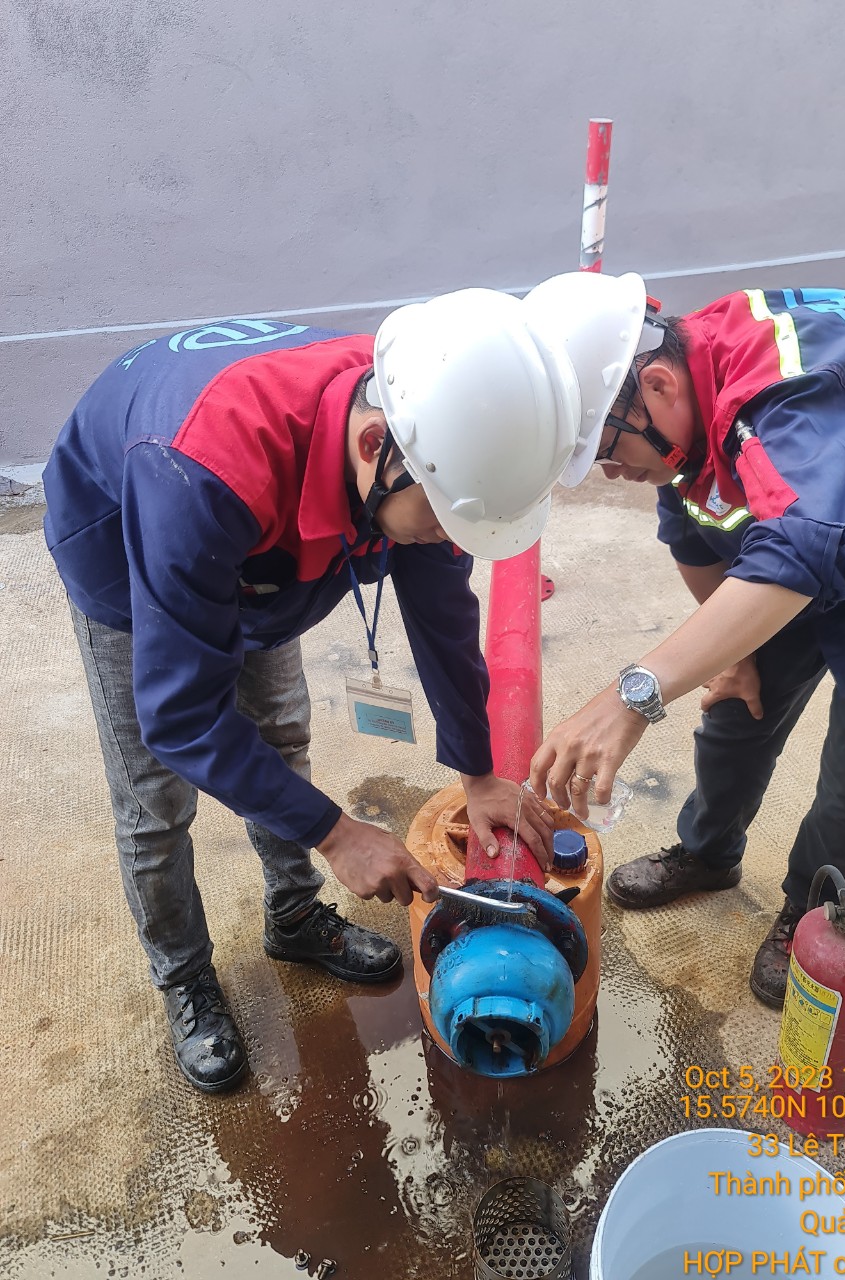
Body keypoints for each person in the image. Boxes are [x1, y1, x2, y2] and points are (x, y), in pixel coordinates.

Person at [43, 273, 647, 1092]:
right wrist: (337, 834)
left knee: (278, 733)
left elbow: (441, 608)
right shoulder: (208, 475)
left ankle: (293, 915)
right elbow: (181, 717)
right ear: (374, 450)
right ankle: (184, 976)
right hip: (131, 543)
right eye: (441, 519)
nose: (445, 536)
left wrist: (479, 773)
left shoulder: (430, 423)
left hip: (255, 538)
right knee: (155, 802)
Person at [528, 280, 845, 1007]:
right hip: (804, 533)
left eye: (605, 448)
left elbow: (802, 553)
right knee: (734, 710)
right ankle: (708, 853)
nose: (611, 473)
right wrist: (736, 654)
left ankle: (813, 909)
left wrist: (632, 696)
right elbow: (692, 530)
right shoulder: (683, 387)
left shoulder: (790, 399)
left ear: (657, 386)